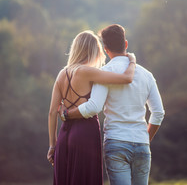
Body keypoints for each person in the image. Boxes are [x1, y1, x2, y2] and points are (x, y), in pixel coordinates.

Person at [60, 24, 165, 185]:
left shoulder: (104, 73)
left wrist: (67, 114)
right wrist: (145, 138)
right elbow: (158, 113)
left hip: (116, 142)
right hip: (142, 144)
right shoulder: (147, 75)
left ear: (105, 48)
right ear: (126, 44)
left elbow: (94, 107)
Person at [47, 30, 137, 185]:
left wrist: (52, 145)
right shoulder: (88, 72)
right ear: (93, 51)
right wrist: (132, 61)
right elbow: (127, 78)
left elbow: (51, 113)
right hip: (84, 134)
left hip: (63, 136)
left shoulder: (62, 74)